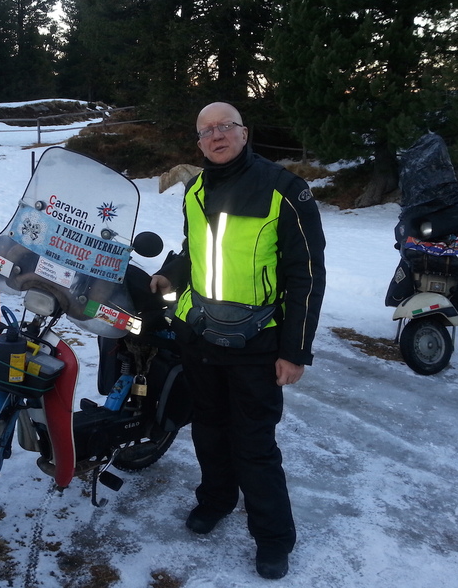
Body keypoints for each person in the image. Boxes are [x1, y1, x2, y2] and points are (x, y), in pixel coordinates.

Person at [150, 102, 326, 580]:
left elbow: (306, 275)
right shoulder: (196, 189)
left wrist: (295, 351)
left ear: (244, 133)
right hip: (202, 334)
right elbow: (195, 247)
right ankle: (216, 500)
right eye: (205, 131)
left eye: (224, 127)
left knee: (254, 444)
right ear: (199, 142)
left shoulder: (286, 190)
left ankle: (273, 539)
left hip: (258, 343)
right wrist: (170, 274)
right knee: (208, 428)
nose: (215, 136)